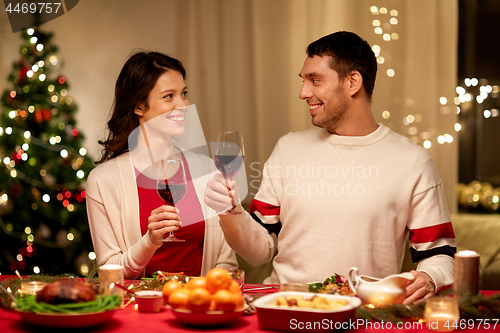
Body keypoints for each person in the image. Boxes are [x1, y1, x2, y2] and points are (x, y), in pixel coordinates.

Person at [204, 31, 455, 303]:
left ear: (353, 82)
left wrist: (430, 278)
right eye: (303, 81)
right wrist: (230, 211)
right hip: (284, 308)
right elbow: (258, 252)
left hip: (362, 313)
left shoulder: (413, 161)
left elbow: (439, 255)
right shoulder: (288, 148)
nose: (303, 93)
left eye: (315, 80)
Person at [86, 51, 237, 279]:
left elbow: (226, 264)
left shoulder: (208, 171)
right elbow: (110, 273)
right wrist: (149, 241)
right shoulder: (103, 181)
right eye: (169, 96)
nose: (183, 105)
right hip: (138, 309)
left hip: (197, 306)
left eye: (184, 94)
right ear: (139, 106)